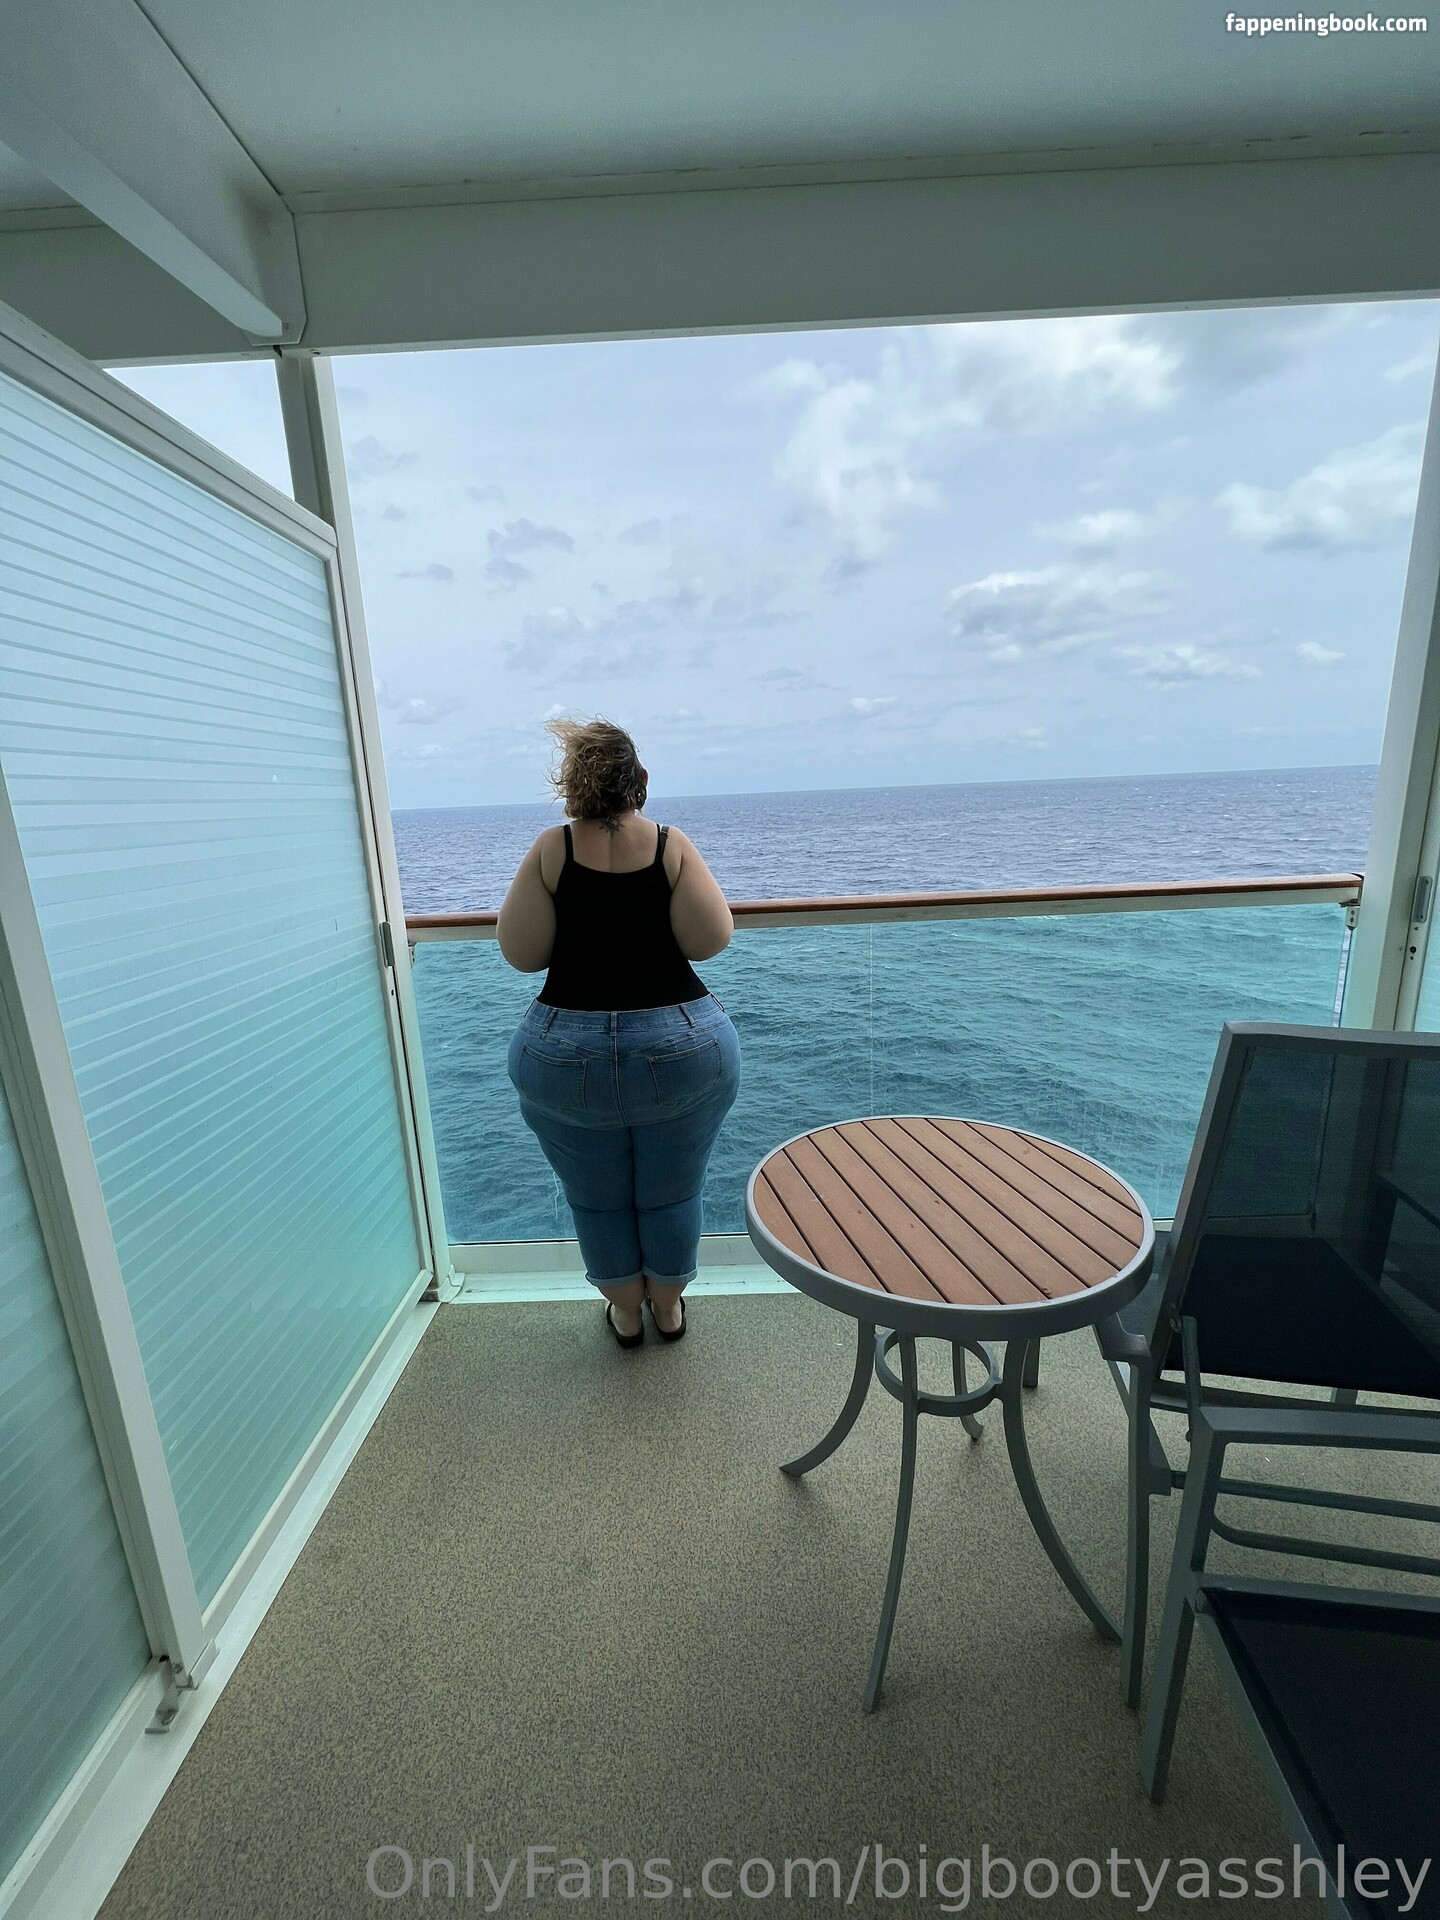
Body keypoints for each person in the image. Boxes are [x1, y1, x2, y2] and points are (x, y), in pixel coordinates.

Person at [497, 718, 739, 1348]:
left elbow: (522, 954)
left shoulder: (552, 849)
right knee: (674, 1187)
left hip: (564, 1051)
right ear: (642, 778)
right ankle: (668, 1308)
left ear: (570, 787)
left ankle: (626, 1314)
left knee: (595, 1195)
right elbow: (711, 940)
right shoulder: (669, 845)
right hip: (681, 1045)